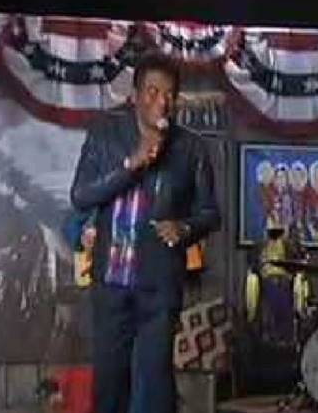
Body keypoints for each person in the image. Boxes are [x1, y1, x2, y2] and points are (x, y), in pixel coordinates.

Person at [70, 51, 221, 413]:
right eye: (153, 91)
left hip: (159, 285)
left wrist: (184, 227)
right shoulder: (105, 134)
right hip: (111, 281)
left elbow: (210, 214)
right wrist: (130, 165)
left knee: (155, 386)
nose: (161, 101)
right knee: (110, 385)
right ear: (135, 95)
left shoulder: (191, 148)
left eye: (169, 94)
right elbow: (81, 196)